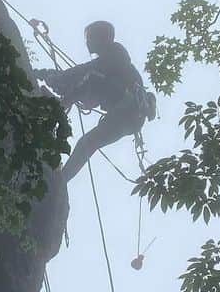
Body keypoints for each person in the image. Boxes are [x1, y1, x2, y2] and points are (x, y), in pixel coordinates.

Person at [35, 20, 156, 181]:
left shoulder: (116, 53)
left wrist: (51, 77)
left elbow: (85, 71)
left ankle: (58, 106)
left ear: (101, 38)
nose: (87, 42)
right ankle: (62, 180)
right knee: (87, 143)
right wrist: (51, 76)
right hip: (128, 117)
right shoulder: (113, 61)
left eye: (90, 37)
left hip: (127, 109)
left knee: (90, 80)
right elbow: (85, 75)